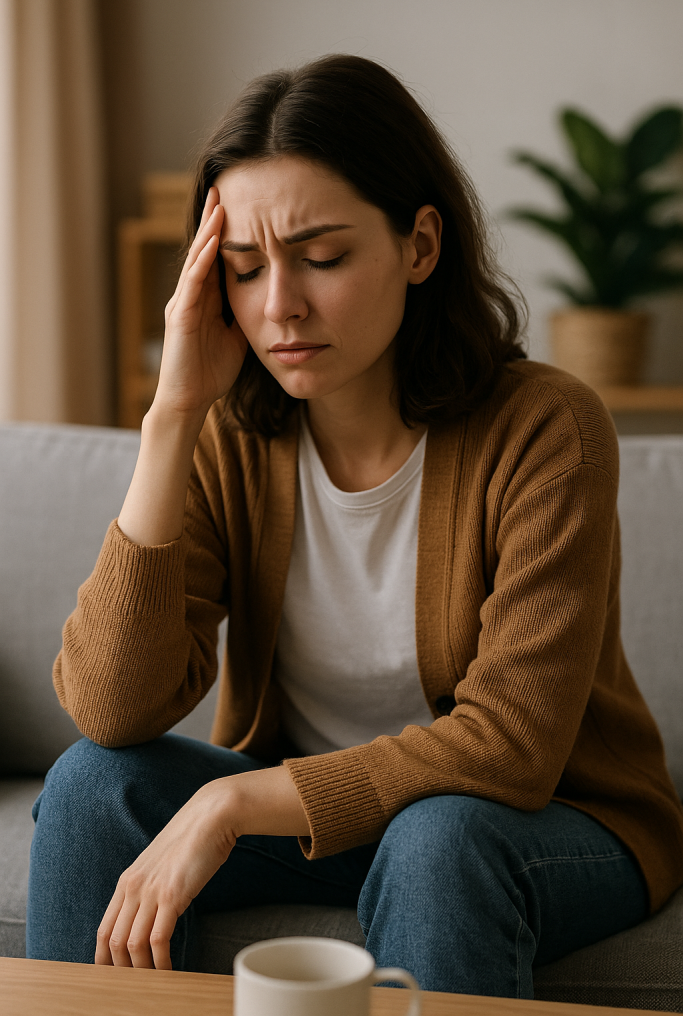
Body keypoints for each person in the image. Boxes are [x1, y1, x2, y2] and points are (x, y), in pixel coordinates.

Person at [26, 55, 683, 997]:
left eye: (321, 257)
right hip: (320, 818)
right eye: (245, 270)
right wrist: (171, 416)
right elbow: (110, 707)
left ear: (420, 246)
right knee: (92, 786)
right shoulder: (230, 436)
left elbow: (509, 743)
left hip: (544, 820)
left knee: (437, 836)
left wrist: (233, 800)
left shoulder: (546, 428)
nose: (279, 305)